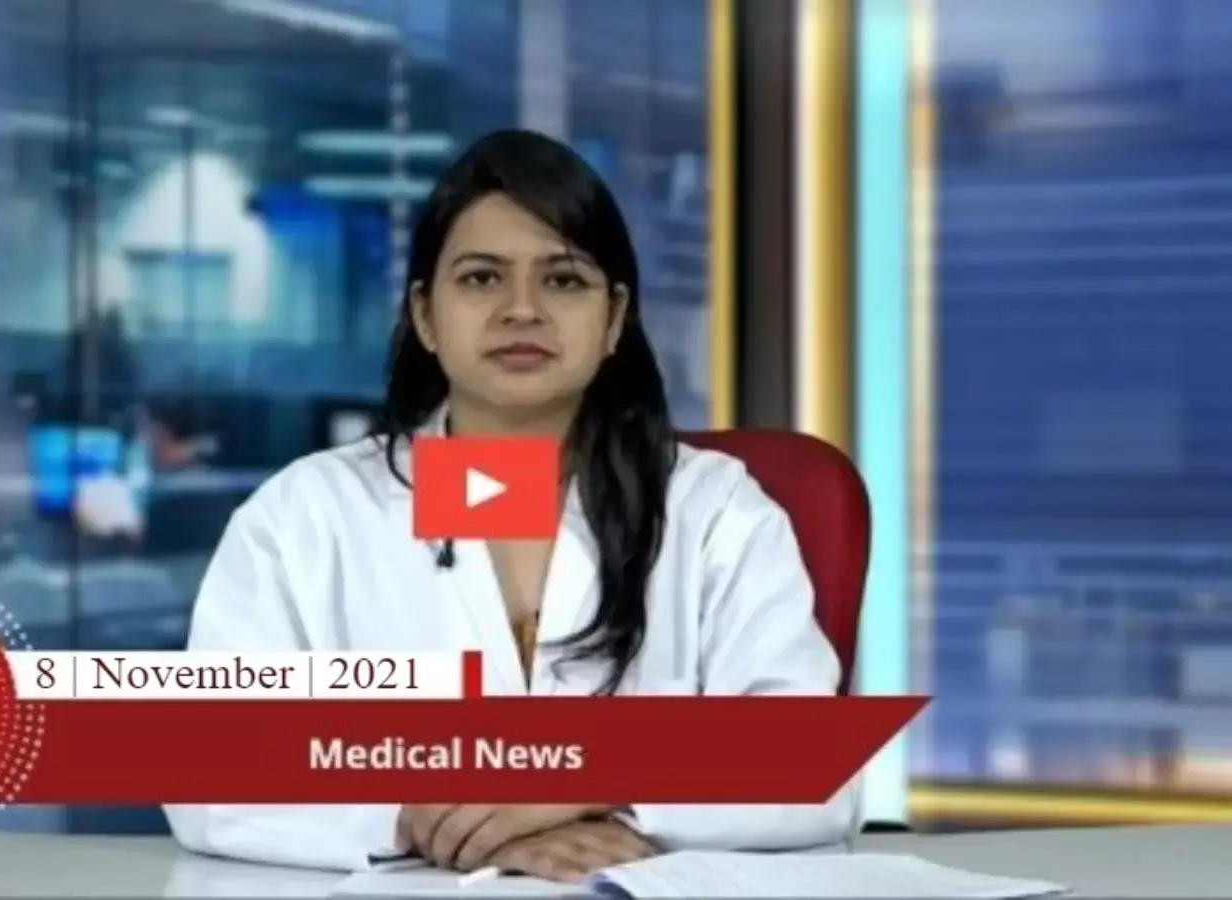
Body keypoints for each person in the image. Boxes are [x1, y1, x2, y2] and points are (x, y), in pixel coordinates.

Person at [165, 129, 858, 879]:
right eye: (481, 278)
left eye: (562, 280)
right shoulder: (306, 514)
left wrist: (601, 780)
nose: (521, 310)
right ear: (426, 316)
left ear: (613, 319)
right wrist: (427, 819)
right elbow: (206, 761)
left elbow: (817, 763)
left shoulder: (716, 510)